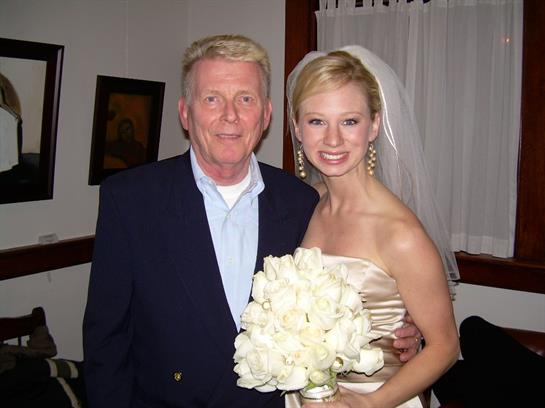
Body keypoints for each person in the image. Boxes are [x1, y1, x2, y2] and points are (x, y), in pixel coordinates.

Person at [83, 35, 422, 408]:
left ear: (265, 115)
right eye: (212, 98)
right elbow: (106, 341)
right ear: (185, 112)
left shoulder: (302, 202)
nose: (230, 115)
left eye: (245, 99)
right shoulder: (130, 200)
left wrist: (400, 327)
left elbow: (352, 283)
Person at [284, 46, 460, 408]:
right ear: (298, 127)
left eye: (349, 121)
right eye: (317, 121)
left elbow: (445, 346)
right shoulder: (301, 205)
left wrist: (368, 404)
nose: (333, 139)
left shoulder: (400, 234)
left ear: (374, 125)